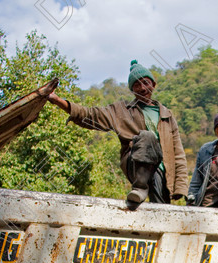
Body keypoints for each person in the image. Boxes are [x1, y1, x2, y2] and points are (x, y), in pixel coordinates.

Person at [46, 60, 187, 205]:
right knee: (147, 136)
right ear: (132, 90)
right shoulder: (122, 110)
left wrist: (180, 187)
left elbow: (178, 152)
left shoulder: (167, 115)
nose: (142, 88)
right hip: (136, 165)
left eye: (145, 83)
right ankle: (140, 188)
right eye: (137, 85)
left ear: (153, 85)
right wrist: (57, 100)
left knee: (160, 211)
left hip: (162, 170)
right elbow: (91, 115)